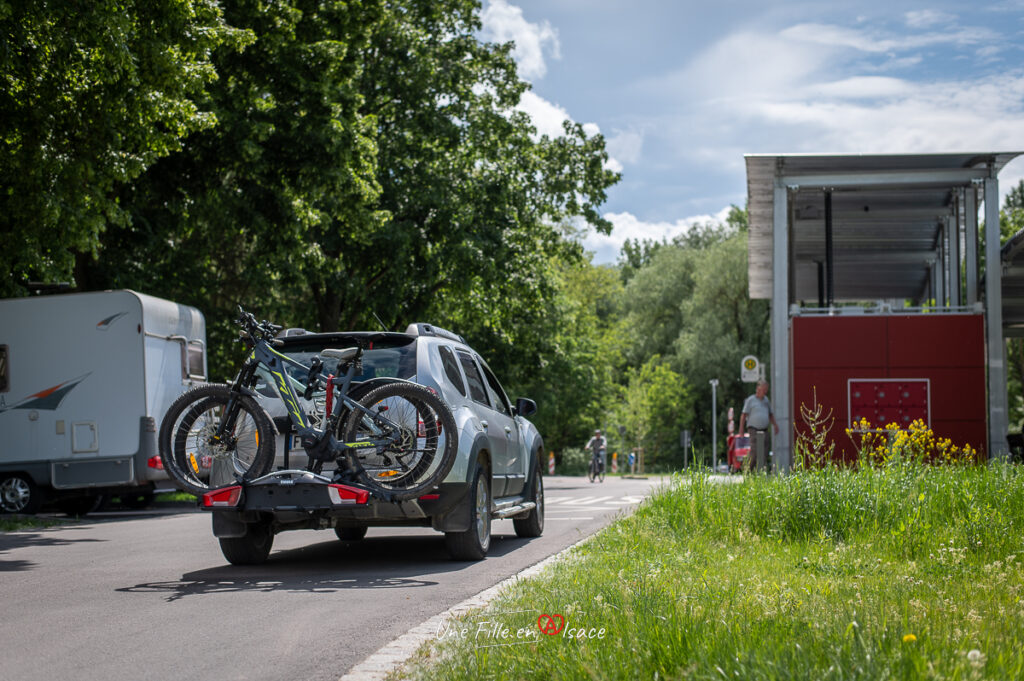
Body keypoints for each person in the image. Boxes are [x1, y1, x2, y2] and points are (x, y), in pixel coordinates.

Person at [738, 379, 779, 472]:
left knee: (764, 451)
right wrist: (741, 429)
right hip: (753, 429)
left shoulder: (766, 400)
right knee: (755, 451)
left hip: (764, 429)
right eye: (763, 389)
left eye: (766, 390)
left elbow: (770, 414)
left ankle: (761, 471)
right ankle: (748, 471)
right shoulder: (751, 400)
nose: (765, 392)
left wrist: (775, 425)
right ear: (758, 389)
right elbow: (743, 415)